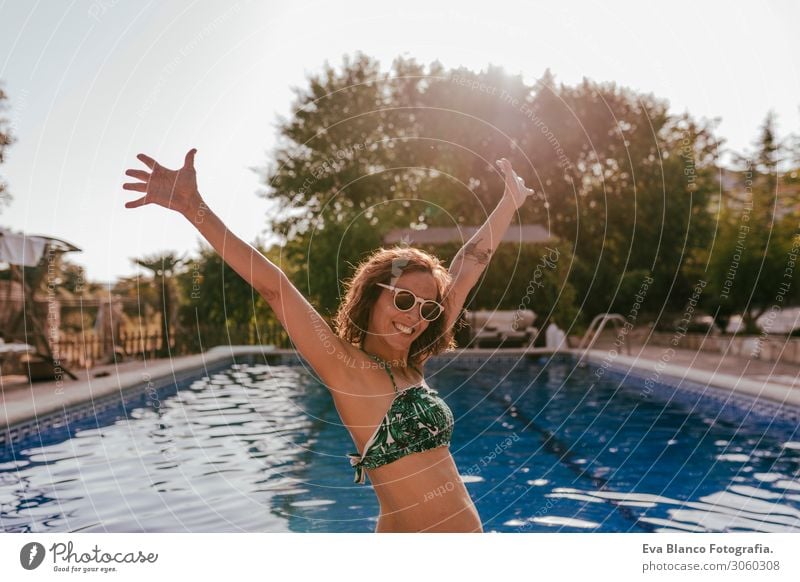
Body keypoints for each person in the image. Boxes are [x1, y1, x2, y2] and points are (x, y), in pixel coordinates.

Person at [123, 148, 534, 532]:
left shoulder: (412, 368)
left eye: (428, 309)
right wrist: (194, 208)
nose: (416, 316)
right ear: (374, 296)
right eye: (405, 299)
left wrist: (508, 202)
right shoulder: (346, 367)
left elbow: (466, 266)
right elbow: (275, 287)